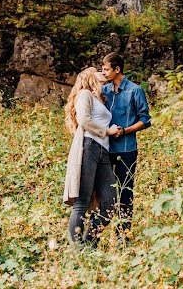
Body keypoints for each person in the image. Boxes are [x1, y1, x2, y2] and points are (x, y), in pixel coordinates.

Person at [63, 67, 119, 247]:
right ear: (88, 77)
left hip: (103, 151)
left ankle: (90, 242)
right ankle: (78, 250)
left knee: (110, 201)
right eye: (97, 70)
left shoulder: (99, 99)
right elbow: (84, 121)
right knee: (82, 201)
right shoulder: (84, 95)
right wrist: (106, 131)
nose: (102, 71)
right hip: (89, 147)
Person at [101, 52, 151, 239]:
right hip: (105, 148)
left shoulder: (134, 90)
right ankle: (98, 231)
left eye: (106, 69)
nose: (103, 72)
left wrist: (126, 130)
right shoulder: (104, 90)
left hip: (126, 149)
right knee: (106, 191)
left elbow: (145, 120)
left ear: (117, 69)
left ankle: (124, 234)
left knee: (125, 192)